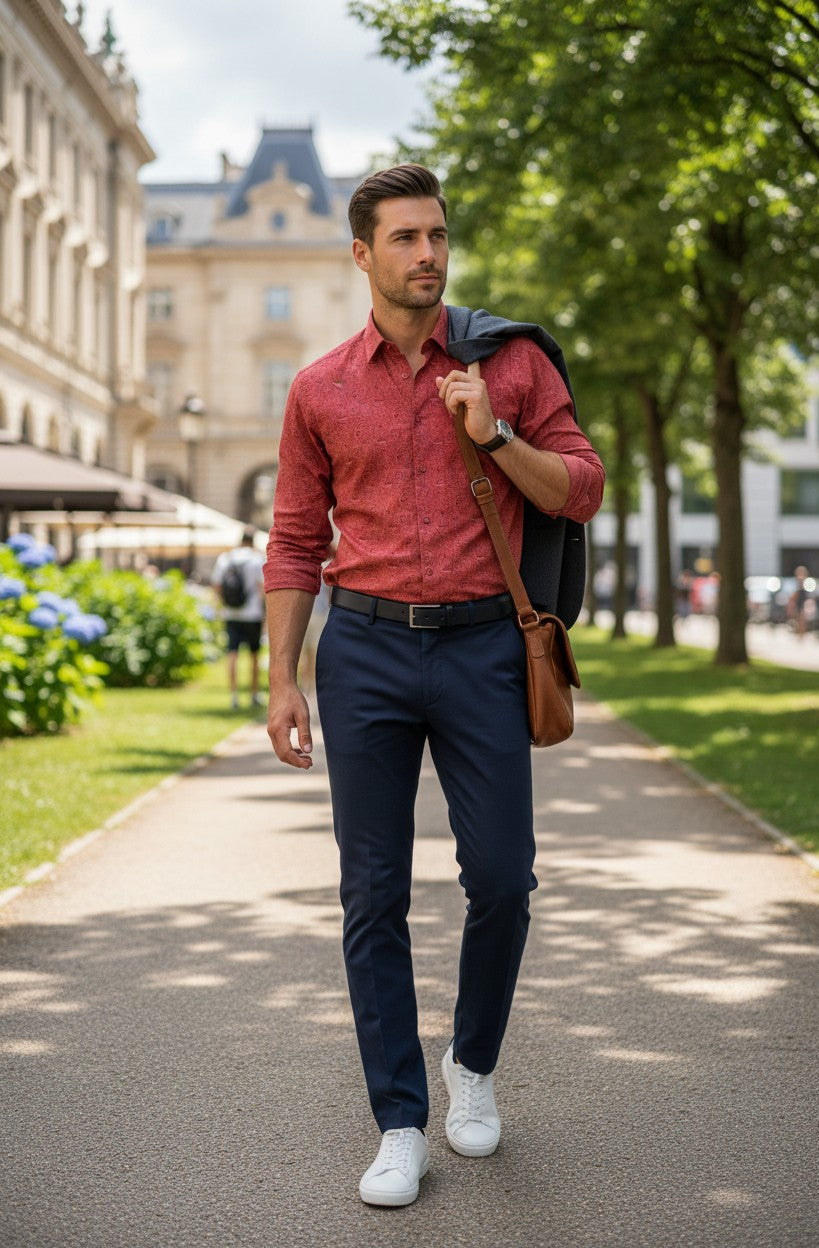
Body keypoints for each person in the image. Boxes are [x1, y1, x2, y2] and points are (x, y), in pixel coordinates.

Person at [263, 164, 604, 1207]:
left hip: (480, 649)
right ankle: (399, 1118)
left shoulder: (508, 365)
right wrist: (282, 677)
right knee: (372, 894)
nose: (427, 254)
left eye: (438, 235)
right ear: (361, 255)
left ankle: (474, 1062)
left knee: (502, 877)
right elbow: (292, 538)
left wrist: (492, 435)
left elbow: (582, 487)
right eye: (405, 237)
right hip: (361, 647)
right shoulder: (319, 387)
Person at [210, 525, 265, 709]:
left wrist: (221, 606)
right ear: (253, 541)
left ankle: (234, 696)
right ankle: (254, 694)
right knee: (254, 655)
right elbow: (261, 589)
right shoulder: (257, 559)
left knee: (232, 653)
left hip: (231, 613)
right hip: (252, 614)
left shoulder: (226, 558)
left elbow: (216, 586)